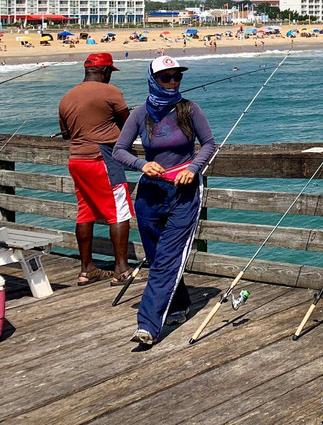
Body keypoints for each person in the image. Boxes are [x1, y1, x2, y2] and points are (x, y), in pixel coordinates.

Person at [112, 56, 216, 346]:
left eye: (177, 76)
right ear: (153, 80)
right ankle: (179, 304)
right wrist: (141, 164)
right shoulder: (139, 113)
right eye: (165, 77)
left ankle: (147, 325)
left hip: (185, 193)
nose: (172, 82)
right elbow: (119, 150)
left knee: (168, 257)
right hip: (150, 194)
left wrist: (192, 168)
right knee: (158, 257)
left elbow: (209, 144)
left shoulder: (190, 109)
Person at [57, 52, 133, 287]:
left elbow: (66, 134)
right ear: (106, 71)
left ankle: (86, 269)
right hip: (102, 157)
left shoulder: (67, 97)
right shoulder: (110, 92)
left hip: (77, 161)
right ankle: (122, 270)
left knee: (85, 212)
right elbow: (129, 125)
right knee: (118, 211)